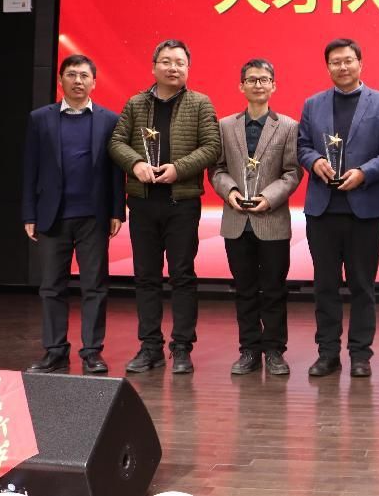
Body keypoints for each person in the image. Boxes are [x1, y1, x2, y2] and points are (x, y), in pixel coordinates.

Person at [108, 39, 221, 374]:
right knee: (146, 277)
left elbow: (212, 147)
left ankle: (182, 347)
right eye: (167, 61)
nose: (174, 68)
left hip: (181, 203)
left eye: (180, 63)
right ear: (154, 66)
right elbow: (116, 142)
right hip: (143, 202)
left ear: (188, 68)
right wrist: (135, 164)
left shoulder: (200, 103)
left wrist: (179, 169)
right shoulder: (136, 103)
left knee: (182, 275)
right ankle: (150, 347)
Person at [296, 39, 379, 379]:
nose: (342, 67)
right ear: (328, 67)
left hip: (364, 210)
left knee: (362, 286)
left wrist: (364, 173)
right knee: (324, 286)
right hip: (322, 210)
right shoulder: (313, 104)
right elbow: (302, 145)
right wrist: (315, 161)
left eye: (348, 60)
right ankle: (327, 353)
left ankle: (360, 355)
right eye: (336, 62)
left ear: (360, 63)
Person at [21, 54, 125, 374]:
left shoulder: (110, 120)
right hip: (53, 215)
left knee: (95, 286)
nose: (78, 81)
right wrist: (29, 213)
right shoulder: (40, 119)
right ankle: (55, 351)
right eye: (71, 75)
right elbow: (30, 169)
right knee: (52, 286)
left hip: (94, 216)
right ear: (60, 80)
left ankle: (92, 352)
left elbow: (116, 171)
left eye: (84, 76)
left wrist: (116, 210)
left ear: (94, 82)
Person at [209, 59, 301, 376]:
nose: (258, 85)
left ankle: (274, 350)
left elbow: (292, 172)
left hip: (272, 220)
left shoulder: (288, 126)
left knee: (274, 289)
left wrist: (268, 197)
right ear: (241, 86)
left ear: (274, 85)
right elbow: (217, 168)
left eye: (264, 79)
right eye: (252, 80)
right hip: (236, 221)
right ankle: (249, 349)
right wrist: (231, 192)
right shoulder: (224, 126)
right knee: (244, 289)